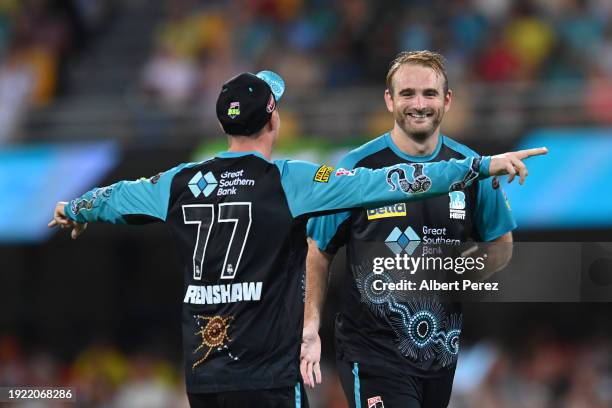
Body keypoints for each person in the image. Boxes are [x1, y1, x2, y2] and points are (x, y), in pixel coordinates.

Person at [48, 70, 545, 408]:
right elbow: (391, 181)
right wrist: (478, 166)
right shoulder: (292, 181)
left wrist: (75, 209)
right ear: (274, 119)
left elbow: (115, 197)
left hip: (205, 378)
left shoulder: (180, 181)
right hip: (269, 376)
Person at [301, 51, 527, 408]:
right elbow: (318, 247)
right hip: (370, 351)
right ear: (389, 100)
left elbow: (501, 244)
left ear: (447, 101)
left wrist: (459, 269)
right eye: (407, 94)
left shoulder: (474, 169)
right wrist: (310, 326)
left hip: (440, 352)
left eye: (429, 94)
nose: (418, 104)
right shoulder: (356, 167)